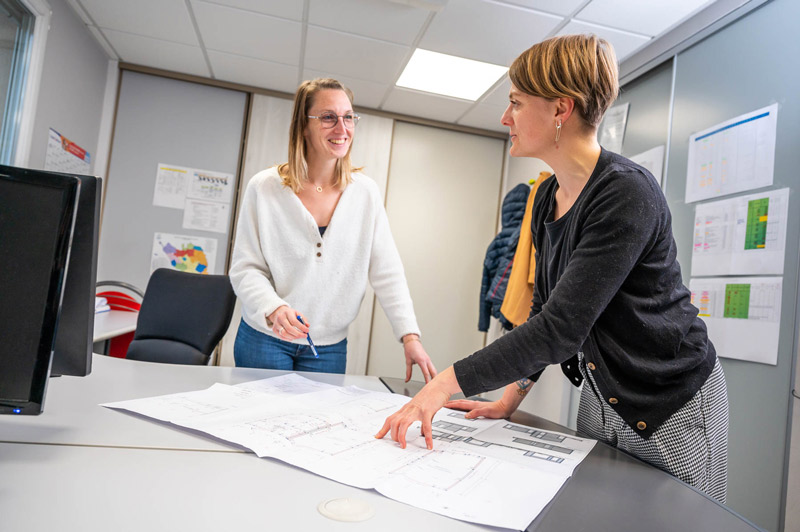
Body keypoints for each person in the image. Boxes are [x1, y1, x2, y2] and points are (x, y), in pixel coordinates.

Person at [375, 35, 729, 503]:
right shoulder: (545, 197)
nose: (506, 118)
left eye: (517, 103)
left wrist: (442, 384)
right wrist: (510, 397)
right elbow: (545, 310)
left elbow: (561, 329)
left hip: (673, 403)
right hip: (604, 395)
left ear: (561, 109)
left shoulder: (626, 193)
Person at [229, 78, 437, 382]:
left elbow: (387, 271)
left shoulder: (366, 193)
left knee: (314, 428)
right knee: (257, 423)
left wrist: (410, 337)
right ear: (303, 125)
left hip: (327, 348)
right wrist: (273, 308)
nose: (342, 128)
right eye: (328, 117)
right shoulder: (265, 188)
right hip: (265, 339)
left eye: (348, 117)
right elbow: (245, 269)